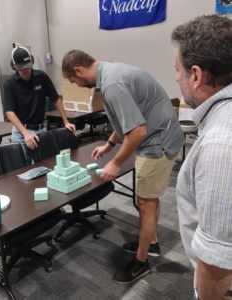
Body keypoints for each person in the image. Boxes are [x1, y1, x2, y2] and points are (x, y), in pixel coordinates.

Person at [62, 50, 184, 284]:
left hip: (157, 143)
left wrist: (115, 163)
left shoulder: (112, 84)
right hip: (163, 137)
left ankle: (141, 263)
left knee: (145, 203)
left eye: (73, 81)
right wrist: (109, 145)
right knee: (149, 199)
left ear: (78, 70)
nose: (76, 85)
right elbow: (127, 119)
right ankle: (151, 244)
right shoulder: (111, 73)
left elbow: (137, 131)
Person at [171, 15, 232, 300]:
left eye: (178, 70)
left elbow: (217, 263)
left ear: (195, 75)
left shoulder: (220, 143)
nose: (176, 78)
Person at [3, 46, 76, 162]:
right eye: (22, 69)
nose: (26, 71)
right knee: (20, 169)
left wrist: (66, 121)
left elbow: (56, 99)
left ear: (32, 61)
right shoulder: (9, 83)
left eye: (28, 67)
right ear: (14, 66)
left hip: (39, 131)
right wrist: (25, 134)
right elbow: (9, 112)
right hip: (20, 132)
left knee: (42, 165)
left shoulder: (42, 77)